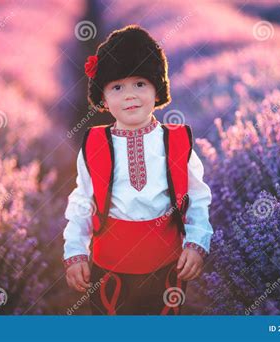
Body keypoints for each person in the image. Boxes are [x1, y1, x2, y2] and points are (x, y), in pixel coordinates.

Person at [62, 24, 213, 315]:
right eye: (117, 87)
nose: (130, 95)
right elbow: (82, 200)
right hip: (109, 268)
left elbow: (197, 197)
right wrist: (76, 251)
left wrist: (196, 242)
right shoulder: (95, 143)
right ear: (103, 99)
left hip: (167, 265)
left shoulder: (177, 140)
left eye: (140, 84)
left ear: (158, 89)